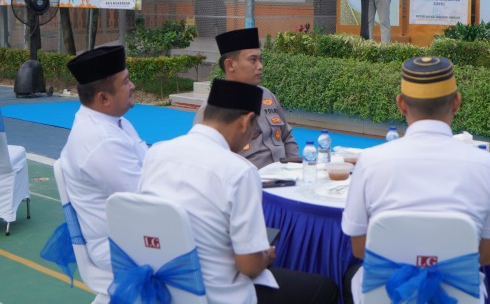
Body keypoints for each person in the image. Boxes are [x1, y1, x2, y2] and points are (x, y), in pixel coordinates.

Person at [138, 79, 339, 304]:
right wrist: (266, 256)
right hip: (217, 292)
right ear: (246, 122)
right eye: (255, 129)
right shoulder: (240, 172)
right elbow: (249, 266)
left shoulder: (156, 153)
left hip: (162, 282)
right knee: (325, 288)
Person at [341, 56, 490, 302]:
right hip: (460, 296)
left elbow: (359, 248)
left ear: (401, 104)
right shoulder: (487, 165)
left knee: (352, 276)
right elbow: (484, 256)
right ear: (456, 102)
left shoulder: (370, 162)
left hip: (387, 295)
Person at [60, 45, 147, 271]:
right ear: (104, 98)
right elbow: (146, 200)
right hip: (119, 245)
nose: (133, 86)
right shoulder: (100, 140)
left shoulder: (115, 122)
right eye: (126, 82)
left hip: (135, 231)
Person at [193, 28, 299, 168]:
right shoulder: (215, 107)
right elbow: (206, 155)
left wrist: (296, 168)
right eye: (253, 60)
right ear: (230, 65)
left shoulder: (267, 95)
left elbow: (286, 136)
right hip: (248, 180)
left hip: (284, 178)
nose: (260, 66)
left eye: (261, 60)